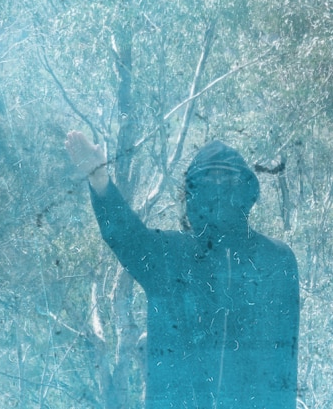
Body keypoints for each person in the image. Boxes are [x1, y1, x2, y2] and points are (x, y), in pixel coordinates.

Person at [66, 131, 299, 409]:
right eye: (208, 182)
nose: (218, 192)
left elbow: (285, 357)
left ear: (245, 190)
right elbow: (125, 236)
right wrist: (99, 179)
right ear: (192, 193)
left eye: (227, 181)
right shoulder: (169, 254)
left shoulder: (276, 258)